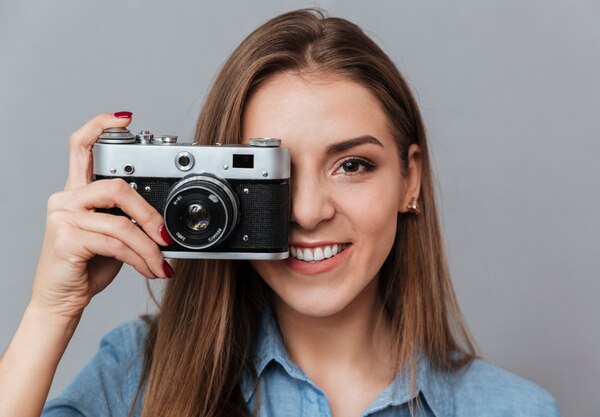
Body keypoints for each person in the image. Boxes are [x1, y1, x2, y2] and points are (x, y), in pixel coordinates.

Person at [0, 9, 560, 417]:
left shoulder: (515, 410)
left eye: (352, 165)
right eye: (273, 174)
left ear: (409, 180)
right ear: (217, 184)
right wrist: (52, 310)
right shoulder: (136, 376)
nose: (309, 211)